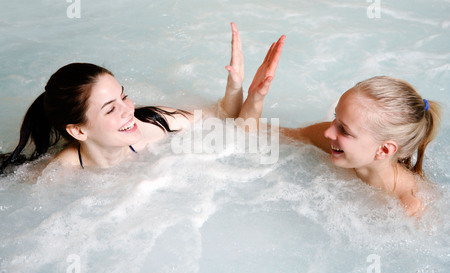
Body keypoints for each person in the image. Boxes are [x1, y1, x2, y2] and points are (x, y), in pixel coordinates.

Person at [0, 23, 285, 173]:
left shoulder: (154, 125)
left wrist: (240, 89)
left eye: (124, 97)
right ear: (78, 130)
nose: (128, 110)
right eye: (111, 109)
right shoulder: (60, 176)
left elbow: (226, 125)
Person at [242, 75, 441, 217]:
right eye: (336, 118)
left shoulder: (410, 208)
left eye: (344, 131)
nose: (328, 132)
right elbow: (253, 132)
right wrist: (253, 98)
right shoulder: (332, 143)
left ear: (384, 150)